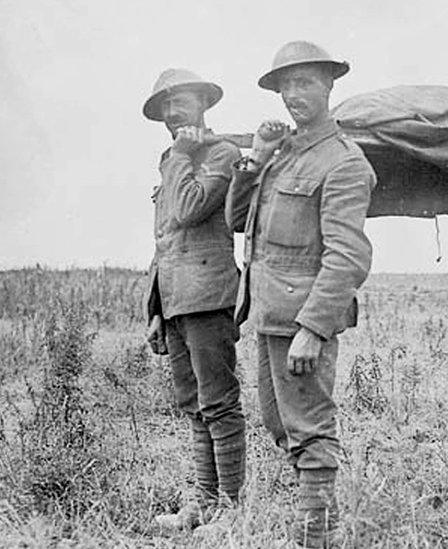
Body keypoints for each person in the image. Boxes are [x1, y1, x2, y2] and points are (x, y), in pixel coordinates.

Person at [225, 41, 375, 548]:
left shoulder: (344, 163)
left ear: (329, 86)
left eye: (305, 82)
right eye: (285, 85)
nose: (293, 94)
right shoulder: (282, 156)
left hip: (301, 320)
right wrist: (256, 158)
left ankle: (319, 534)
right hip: (268, 312)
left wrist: (313, 329)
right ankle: (314, 520)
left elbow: (347, 256)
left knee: (309, 426)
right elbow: (237, 223)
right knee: (278, 420)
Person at [141, 69, 245, 531]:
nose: (171, 113)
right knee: (193, 405)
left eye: (179, 103)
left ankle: (230, 508)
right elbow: (163, 240)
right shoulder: (173, 158)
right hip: (177, 300)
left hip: (208, 296)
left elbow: (188, 209)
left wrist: (183, 154)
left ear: (203, 103)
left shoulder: (220, 153)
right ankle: (202, 503)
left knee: (219, 403)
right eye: (165, 106)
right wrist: (155, 310)